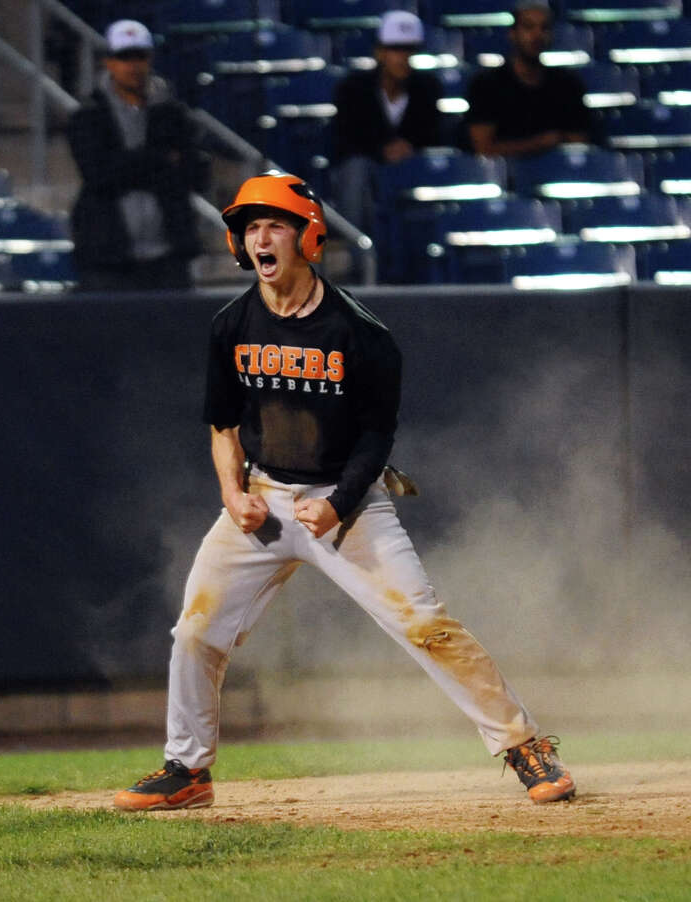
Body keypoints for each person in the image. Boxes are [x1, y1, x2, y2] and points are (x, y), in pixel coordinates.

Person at [113, 172, 575, 813]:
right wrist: (231, 492)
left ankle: (524, 745)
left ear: (309, 238)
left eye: (274, 224)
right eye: (250, 228)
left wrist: (337, 504)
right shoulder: (231, 324)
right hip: (265, 498)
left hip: (348, 500)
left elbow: (376, 437)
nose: (260, 238)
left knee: (427, 626)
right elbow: (222, 425)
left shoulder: (361, 333)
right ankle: (187, 770)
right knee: (194, 632)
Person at [67, 18, 208, 292]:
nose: (133, 65)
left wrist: (126, 163)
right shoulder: (88, 116)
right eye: (124, 57)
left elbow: (194, 174)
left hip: (168, 256)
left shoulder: (173, 114)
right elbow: (98, 174)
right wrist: (161, 160)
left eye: (139, 56)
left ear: (150, 59)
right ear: (109, 61)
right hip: (108, 256)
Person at [331, 10, 443, 239]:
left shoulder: (428, 88)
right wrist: (381, 150)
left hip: (412, 164)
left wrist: (409, 147)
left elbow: (435, 134)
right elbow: (344, 138)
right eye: (395, 49)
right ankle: (360, 252)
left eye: (408, 49)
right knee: (356, 170)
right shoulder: (353, 88)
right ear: (380, 52)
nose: (402, 57)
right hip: (368, 164)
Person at [464, 0, 592, 158]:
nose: (537, 35)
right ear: (512, 33)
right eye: (528, 27)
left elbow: (578, 147)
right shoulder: (486, 85)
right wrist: (541, 143)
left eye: (544, 28)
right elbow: (483, 150)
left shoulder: (568, 85)